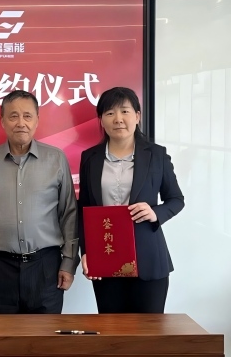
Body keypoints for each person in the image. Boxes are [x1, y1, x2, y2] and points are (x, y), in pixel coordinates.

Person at [0, 90, 79, 314]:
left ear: (37, 120)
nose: (21, 123)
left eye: (27, 116)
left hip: (46, 266)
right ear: (2, 121)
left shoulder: (56, 159)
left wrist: (69, 262)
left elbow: (69, 214)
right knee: (2, 333)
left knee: (46, 334)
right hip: (0, 267)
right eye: (13, 116)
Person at [78, 86, 185, 313]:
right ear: (101, 120)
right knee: (111, 329)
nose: (118, 119)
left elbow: (176, 199)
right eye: (110, 113)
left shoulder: (156, 155)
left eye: (125, 111)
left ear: (137, 116)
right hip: (106, 256)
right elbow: (84, 210)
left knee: (149, 330)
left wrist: (155, 213)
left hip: (149, 259)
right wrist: (86, 251)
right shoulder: (90, 158)